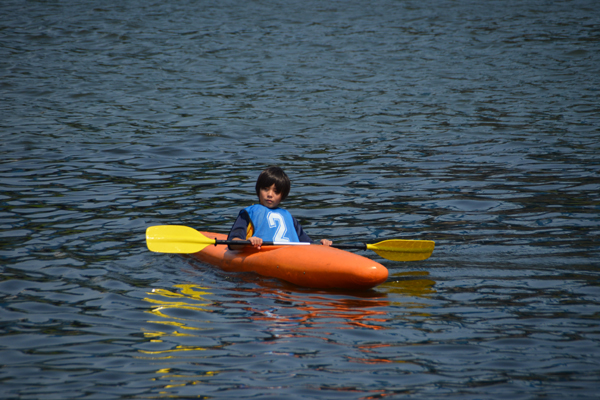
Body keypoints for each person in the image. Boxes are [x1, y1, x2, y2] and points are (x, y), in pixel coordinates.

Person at [227, 166, 332, 250]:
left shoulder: (288, 217)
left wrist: (322, 245)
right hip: (261, 254)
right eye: (265, 189)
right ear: (258, 190)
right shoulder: (248, 214)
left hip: (291, 256)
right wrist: (249, 241)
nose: (270, 195)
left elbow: (308, 244)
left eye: (276, 192)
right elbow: (233, 242)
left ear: (283, 195)